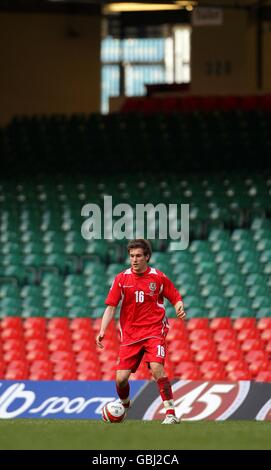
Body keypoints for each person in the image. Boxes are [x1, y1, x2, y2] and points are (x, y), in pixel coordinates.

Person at [96, 239, 185, 424]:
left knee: (156, 368)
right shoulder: (122, 279)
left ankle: (170, 414)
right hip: (130, 335)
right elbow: (111, 307)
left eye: (138, 256)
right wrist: (102, 329)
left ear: (147, 257)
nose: (134, 260)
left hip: (154, 330)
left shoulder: (158, 277)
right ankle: (125, 405)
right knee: (121, 379)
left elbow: (174, 296)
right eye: (132, 256)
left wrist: (179, 307)